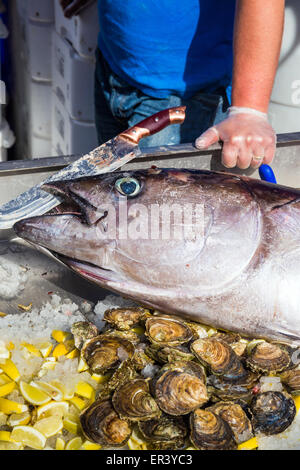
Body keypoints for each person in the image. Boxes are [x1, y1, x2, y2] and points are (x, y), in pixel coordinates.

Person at [59, 0, 284, 170]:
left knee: (161, 222)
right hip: (115, 66)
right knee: (114, 207)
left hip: (187, 99)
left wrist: (248, 110)